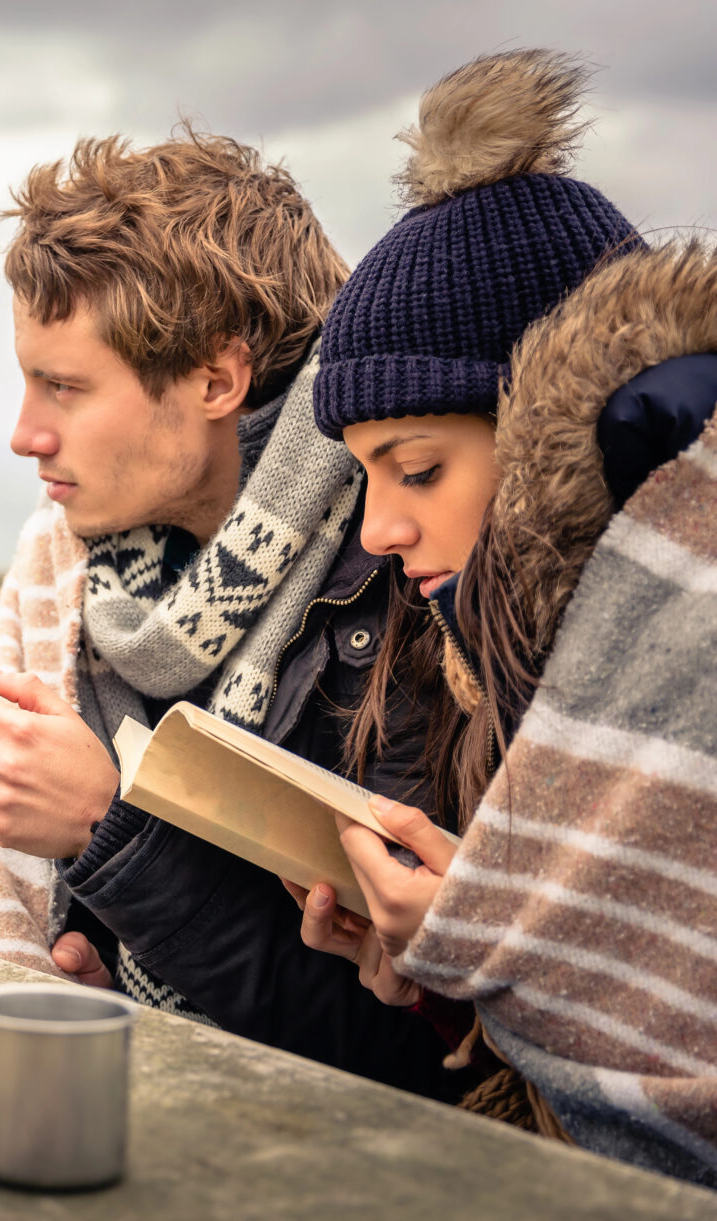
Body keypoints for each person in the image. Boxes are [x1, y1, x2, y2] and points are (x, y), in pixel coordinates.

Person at [0, 127, 475, 1100]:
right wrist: (96, 981)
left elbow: (426, 1045)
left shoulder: (414, 571)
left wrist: (107, 823)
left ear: (216, 380)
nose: (26, 434)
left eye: (63, 386)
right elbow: (38, 928)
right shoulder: (68, 558)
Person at [299, 49, 717, 1188]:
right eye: (363, 478)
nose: (378, 530)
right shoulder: (493, 670)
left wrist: (488, 949)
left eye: (418, 470)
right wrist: (441, 982)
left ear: (546, 448)